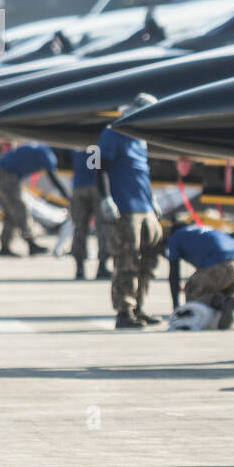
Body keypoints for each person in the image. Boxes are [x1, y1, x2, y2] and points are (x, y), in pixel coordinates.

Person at [97, 94, 163, 329]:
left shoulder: (141, 137)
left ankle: (138, 307)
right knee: (127, 262)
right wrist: (106, 198)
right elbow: (100, 167)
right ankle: (124, 312)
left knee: (149, 260)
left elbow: (140, 172)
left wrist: (152, 198)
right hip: (125, 209)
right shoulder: (113, 132)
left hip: (144, 207)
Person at [166, 223, 234, 329]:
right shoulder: (203, 228)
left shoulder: (175, 236)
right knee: (219, 287)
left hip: (223, 263)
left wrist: (176, 306)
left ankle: (224, 302)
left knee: (193, 289)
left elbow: (174, 273)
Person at [0, 142, 68, 257]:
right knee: (21, 209)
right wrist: (66, 196)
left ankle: (5, 246)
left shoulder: (39, 147)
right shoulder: (48, 155)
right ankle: (31, 244)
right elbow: (53, 178)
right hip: (6, 176)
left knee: (12, 212)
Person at [69, 148, 111, 281]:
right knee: (103, 228)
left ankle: (79, 267)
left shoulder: (75, 142)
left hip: (79, 186)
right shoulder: (103, 141)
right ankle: (102, 266)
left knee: (79, 227)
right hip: (98, 186)